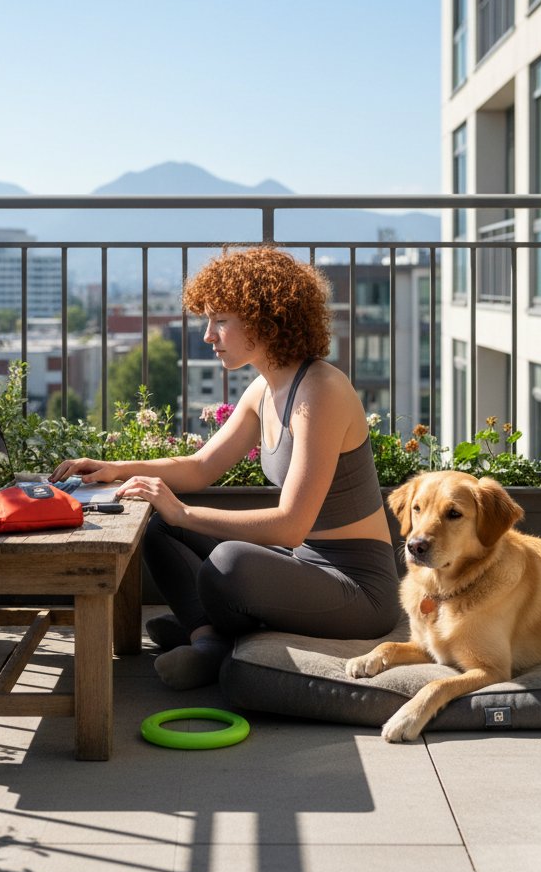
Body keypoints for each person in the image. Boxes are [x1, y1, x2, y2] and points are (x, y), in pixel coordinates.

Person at [50, 246, 400, 689]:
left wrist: (185, 512)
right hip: (306, 564)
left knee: (228, 562)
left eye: (220, 320)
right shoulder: (265, 388)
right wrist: (115, 468)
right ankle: (208, 639)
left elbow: (292, 525)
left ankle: (215, 639)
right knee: (161, 529)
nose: (208, 336)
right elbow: (200, 466)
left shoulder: (321, 390)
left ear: (263, 317)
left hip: (358, 589)